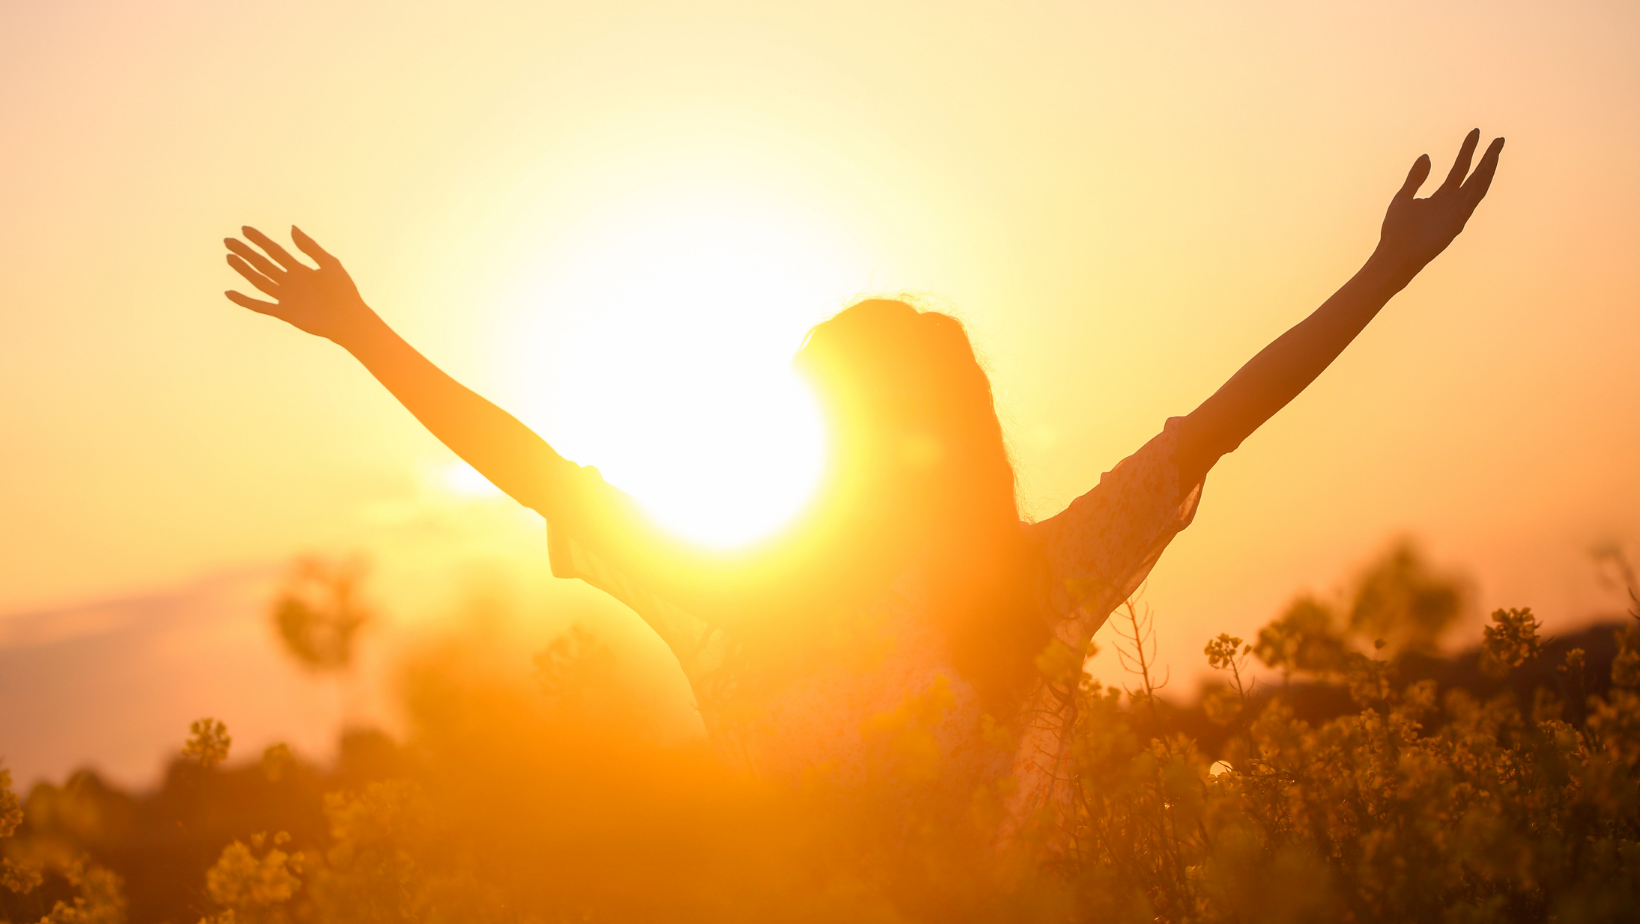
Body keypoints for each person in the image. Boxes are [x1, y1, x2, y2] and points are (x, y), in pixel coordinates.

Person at [222, 130, 1503, 836]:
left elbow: (1219, 421)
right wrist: (363, 332)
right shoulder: (742, 599)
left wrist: (1384, 272)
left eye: (852, 420)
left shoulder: (1033, 582)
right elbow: (538, 472)